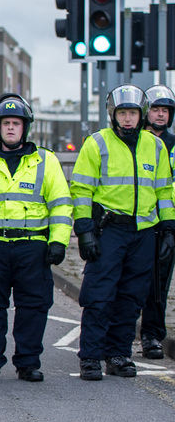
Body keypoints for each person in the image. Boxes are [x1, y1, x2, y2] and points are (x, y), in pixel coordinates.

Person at [0, 96, 71, 382]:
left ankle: (28, 363)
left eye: (15, 123)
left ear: (25, 128)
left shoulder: (47, 161)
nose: (10, 128)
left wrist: (58, 241)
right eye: (5, 123)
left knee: (33, 305)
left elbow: (61, 204)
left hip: (32, 245)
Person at [70, 85, 175, 380]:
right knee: (99, 295)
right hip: (110, 230)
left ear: (141, 115)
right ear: (112, 115)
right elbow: (81, 190)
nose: (128, 119)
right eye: (122, 113)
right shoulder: (97, 143)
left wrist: (168, 228)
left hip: (143, 232)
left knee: (132, 297)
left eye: (133, 113)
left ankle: (118, 354)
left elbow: (164, 190)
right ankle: (90, 356)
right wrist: (85, 230)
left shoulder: (154, 146)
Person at [142, 84, 175, 360]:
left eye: (165, 110)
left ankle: (152, 335)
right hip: (136, 223)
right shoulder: (135, 142)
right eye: (156, 109)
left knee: (159, 285)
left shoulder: (174, 146)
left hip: (166, 223)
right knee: (127, 282)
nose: (161, 115)